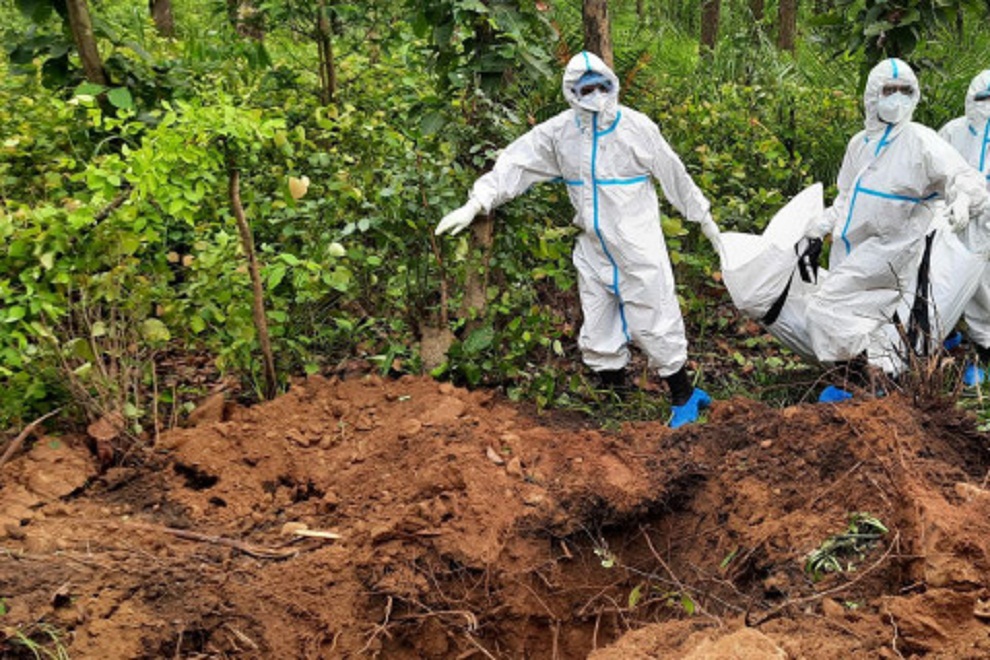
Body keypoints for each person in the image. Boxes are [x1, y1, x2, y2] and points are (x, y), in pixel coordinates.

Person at [435, 51, 720, 428]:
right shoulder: (560, 134)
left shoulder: (637, 128)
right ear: (572, 92)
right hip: (593, 247)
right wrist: (477, 202)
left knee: (655, 318)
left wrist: (706, 221)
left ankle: (685, 395)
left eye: (603, 86)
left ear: (613, 85)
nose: (596, 94)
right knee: (598, 325)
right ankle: (617, 400)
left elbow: (675, 177)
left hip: (637, 247)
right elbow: (516, 163)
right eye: (587, 88)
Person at [801, 58, 988, 401]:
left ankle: (866, 383)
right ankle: (866, 384)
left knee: (828, 309)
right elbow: (845, 195)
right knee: (866, 322)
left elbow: (962, 178)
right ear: (872, 95)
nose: (897, 98)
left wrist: (963, 200)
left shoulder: (920, 140)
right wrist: (818, 230)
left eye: (905, 90)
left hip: (893, 250)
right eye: (889, 90)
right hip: (852, 246)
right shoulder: (860, 143)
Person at [938, 69, 990, 386]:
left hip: (987, 219)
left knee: (985, 286)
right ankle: (948, 335)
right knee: (949, 278)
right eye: (983, 98)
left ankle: (982, 346)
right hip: (956, 219)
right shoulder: (953, 132)